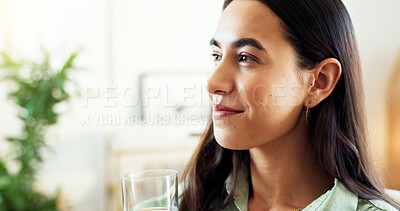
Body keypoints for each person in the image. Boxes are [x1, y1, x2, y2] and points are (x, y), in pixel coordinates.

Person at [178, 0, 400, 210]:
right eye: (216, 55)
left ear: (319, 82)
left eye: (245, 57)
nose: (212, 83)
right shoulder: (179, 203)